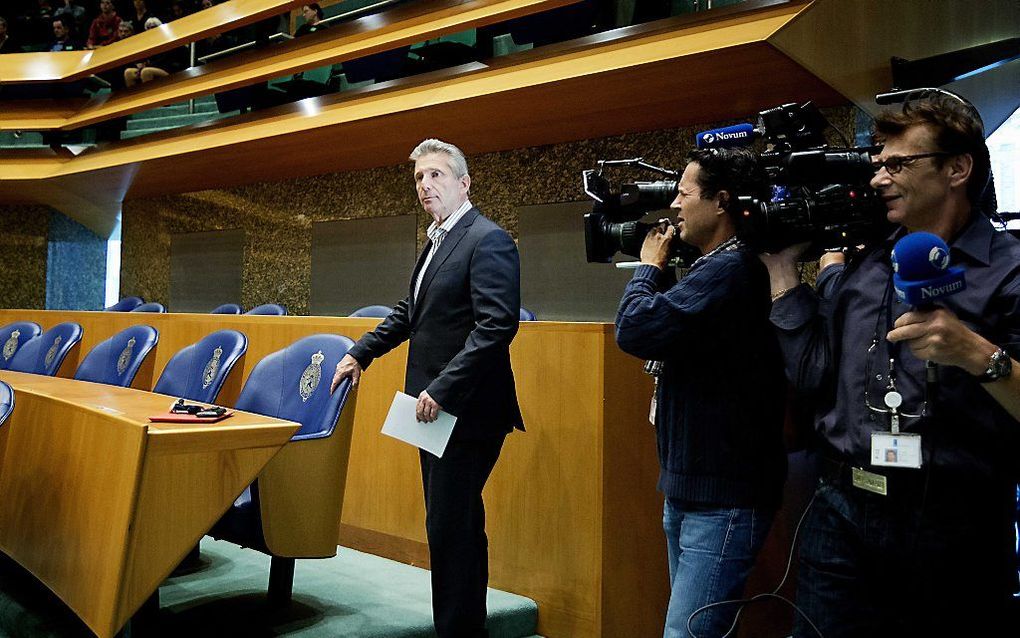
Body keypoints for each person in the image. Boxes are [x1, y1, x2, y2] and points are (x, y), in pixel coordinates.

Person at [761, 91, 1020, 637]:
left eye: (898, 164)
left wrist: (977, 354)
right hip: (841, 507)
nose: (879, 178)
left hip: (955, 521)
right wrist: (783, 275)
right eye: (878, 163)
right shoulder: (867, 269)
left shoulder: (1009, 272)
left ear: (957, 168)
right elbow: (816, 376)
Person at [330, 138, 523, 638]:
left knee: (450, 527)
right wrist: (361, 352)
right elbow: (409, 313)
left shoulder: (487, 239)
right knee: (450, 525)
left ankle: (459, 630)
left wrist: (443, 388)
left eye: (436, 175)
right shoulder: (439, 239)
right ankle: (461, 628)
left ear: (464, 183)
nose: (425, 185)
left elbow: (496, 327)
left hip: (466, 409)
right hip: (433, 410)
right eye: (419, 177)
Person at [615, 148, 787, 638]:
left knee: (687, 635)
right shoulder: (715, 267)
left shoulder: (733, 270)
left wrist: (649, 267)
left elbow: (634, 329)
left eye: (685, 194)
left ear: (721, 202)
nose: (674, 204)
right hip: (692, 487)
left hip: (724, 498)